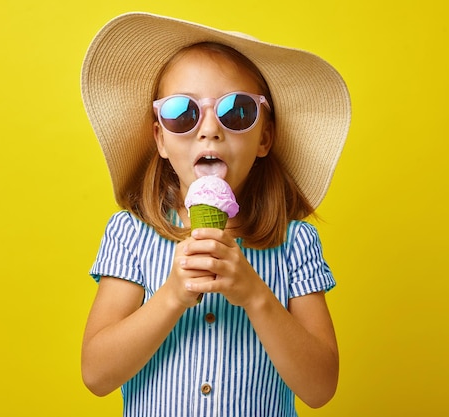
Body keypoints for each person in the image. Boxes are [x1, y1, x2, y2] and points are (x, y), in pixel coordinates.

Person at [80, 12, 351, 417]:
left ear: (265, 138)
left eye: (237, 112)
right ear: (160, 139)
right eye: (182, 112)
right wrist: (171, 295)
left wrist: (255, 295)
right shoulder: (131, 233)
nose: (209, 130)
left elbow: (320, 387)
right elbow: (96, 374)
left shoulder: (295, 242)